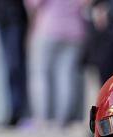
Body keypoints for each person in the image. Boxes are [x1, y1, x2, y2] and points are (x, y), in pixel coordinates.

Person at [25, 0, 88, 129]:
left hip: (48, 29)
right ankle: (61, 120)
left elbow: (33, 4)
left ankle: (42, 119)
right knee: (66, 76)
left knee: (40, 74)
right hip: (75, 31)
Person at [0, 0, 30, 127]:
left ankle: (16, 112)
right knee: (3, 68)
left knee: (14, 66)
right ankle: (7, 112)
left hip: (14, 17)